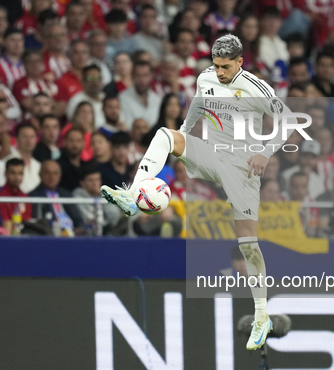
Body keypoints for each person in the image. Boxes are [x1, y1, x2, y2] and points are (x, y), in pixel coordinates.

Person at [101, 34, 298, 350]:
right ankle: (131, 194)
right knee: (166, 135)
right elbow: (197, 105)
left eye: (225, 66)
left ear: (239, 62)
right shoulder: (205, 77)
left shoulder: (257, 88)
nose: (219, 72)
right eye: (216, 65)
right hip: (212, 153)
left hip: (242, 168)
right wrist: (183, 134)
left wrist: (265, 153)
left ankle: (262, 316)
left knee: (248, 245)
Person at [29, 160, 84, 235]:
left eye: (55, 173)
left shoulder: (66, 194)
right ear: (40, 174)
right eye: (47, 173)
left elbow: (78, 219)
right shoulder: (33, 196)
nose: (52, 177)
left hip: (72, 234)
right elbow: (39, 224)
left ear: (60, 176)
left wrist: (79, 228)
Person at [73, 164, 122, 235]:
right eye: (90, 180)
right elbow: (89, 220)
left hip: (105, 233)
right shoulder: (77, 196)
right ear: (82, 183)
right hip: (85, 235)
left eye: (97, 179)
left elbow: (114, 214)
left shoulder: (102, 194)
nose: (95, 183)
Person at [0, 158, 33, 233]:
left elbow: (28, 222)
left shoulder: (25, 197)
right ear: (6, 173)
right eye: (13, 173)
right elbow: (3, 223)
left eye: (20, 173)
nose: (17, 177)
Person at [118, 61, 161, 130]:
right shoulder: (122, 98)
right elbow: (125, 125)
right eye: (138, 75)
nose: (142, 80)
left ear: (151, 76)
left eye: (145, 75)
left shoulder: (157, 99)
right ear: (132, 76)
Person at [3, 123, 41, 193]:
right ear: (16, 139)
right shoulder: (7, 161)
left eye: (32, 137)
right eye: (24, 137)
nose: (29, 140)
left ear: (36, 139)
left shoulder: (38, 165)